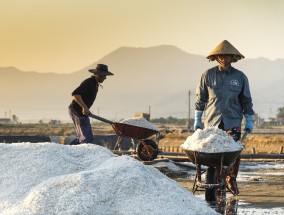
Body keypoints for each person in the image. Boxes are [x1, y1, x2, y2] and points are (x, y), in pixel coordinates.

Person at [194, 40, 254, 195]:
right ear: (216, 57)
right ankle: (215, 178)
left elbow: (246, 100)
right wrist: (197, 118)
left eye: (227, 55)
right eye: (220, 55)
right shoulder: (207, 75)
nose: (223, 58)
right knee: (213, 153)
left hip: (232, 121)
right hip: (212, 122)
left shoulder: (240, 77)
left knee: (233, 152)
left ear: (233, 57)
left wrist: (249, 119)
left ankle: (231, 179)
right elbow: (200, 99)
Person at [68, 64, 114, 145]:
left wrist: (85, 109)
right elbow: (75, 94)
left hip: (82, 111)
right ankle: (80, 155)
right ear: (98, 75)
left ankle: (66, 151)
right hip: (77, 110)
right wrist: (84, 108)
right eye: (104, 76)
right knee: (87, 138)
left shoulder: (95, 84)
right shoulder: (88, 82)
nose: (105, 78)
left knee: (82, 137)